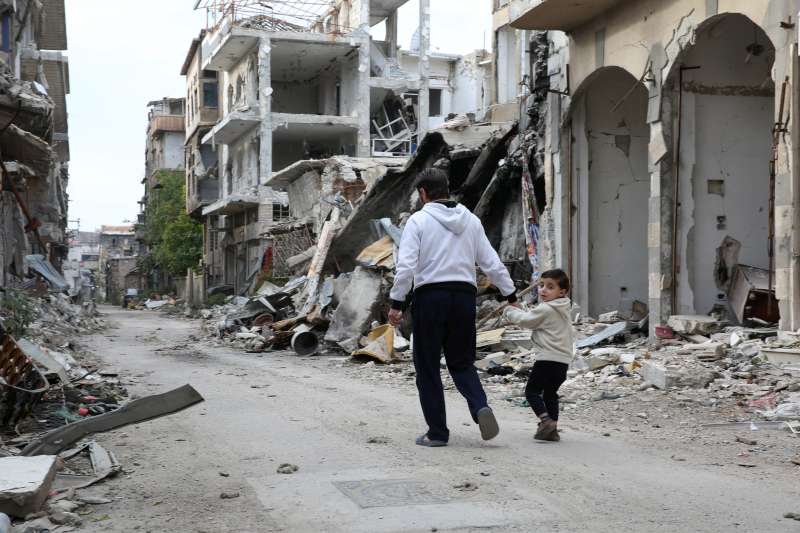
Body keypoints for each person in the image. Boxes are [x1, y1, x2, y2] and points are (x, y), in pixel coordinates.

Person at [388, 168, 518, 447]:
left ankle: (437, 433)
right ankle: (480, 406)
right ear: (447, 189)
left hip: (430, 297)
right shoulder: (470, 220)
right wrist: (510, 293)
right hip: (463, 297)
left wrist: (397, 303)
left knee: (427, 367)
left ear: (423, 193)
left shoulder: (418, 220)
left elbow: (406, 266)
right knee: (461, 362)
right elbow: (491, 262)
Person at [503, 269, 574, 442]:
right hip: (563, 361)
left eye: (550, 287)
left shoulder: (547, 309)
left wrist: (509, 311)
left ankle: (545, 421)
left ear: (562, 291)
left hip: (547, 359)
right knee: (550, 394)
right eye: (542, 285)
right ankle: (553, 429)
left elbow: (525, 320)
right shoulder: (564, 308)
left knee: (531, 392)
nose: (543, 290)